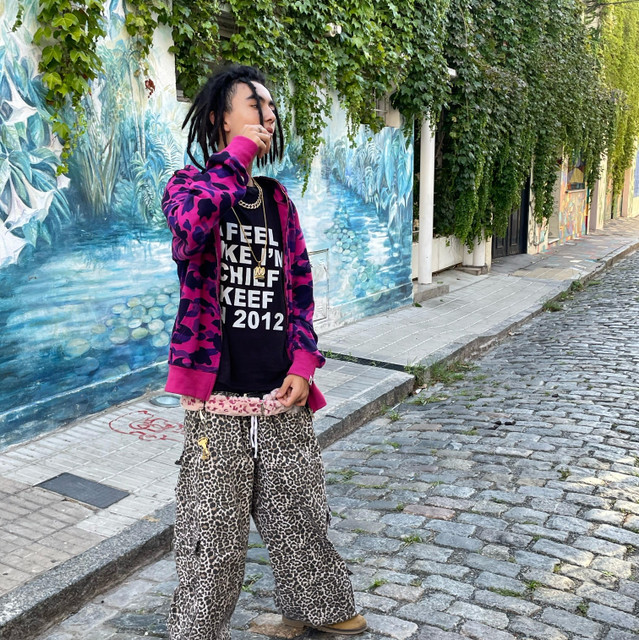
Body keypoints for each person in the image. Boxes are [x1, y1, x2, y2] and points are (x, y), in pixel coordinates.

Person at [161, 64, 367, 639]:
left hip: (283, 397)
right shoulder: (188, 187)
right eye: (254, 104)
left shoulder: (278, 201)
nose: (268, 114)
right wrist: (234, 160)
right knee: (211, 537)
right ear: (219, 118)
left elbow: (300, 290)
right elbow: (189, 233)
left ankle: (323, 609)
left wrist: (304, 364)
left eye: (271, 106)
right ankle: (196, 632)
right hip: (217, 403)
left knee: (301, 517)